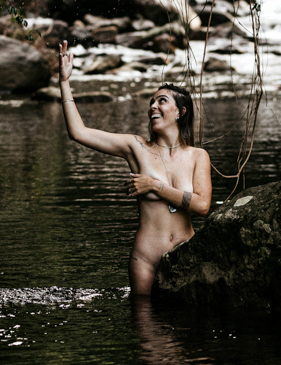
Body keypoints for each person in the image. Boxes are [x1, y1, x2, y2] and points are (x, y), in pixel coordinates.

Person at [57, 41, 212, 295]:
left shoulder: (198, 156)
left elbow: (202, 206)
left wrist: (155, 186)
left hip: (186, 257)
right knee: (145, 320)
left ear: (180, 112)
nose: (153, 106)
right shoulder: (136, 147)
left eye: (162, 101)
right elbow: (78, 132)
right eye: (152, 102)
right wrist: (64, 82)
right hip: (145, 259)